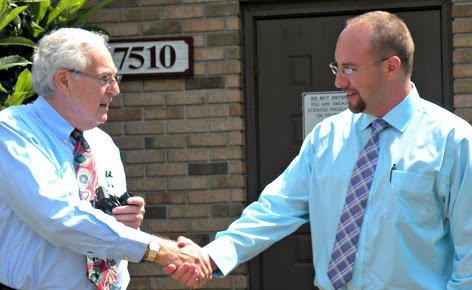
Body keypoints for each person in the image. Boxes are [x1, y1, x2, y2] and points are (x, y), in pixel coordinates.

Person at [165, 10, 472, 289]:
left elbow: (469, 254)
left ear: (391, 67)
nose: (339, 82)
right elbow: (276, 208)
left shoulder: (452, 141)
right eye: (336, 68)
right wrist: (211, 256)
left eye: (350, 69)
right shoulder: (327, 137)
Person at [0, 28, 211, 289]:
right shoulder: (10, 132)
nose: (116, 90)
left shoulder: (102, 143)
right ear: (64, 80)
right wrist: (159, 250)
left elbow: (101, 225)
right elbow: (60, 217)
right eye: (105, 78)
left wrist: (128, 217)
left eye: (116, 77)